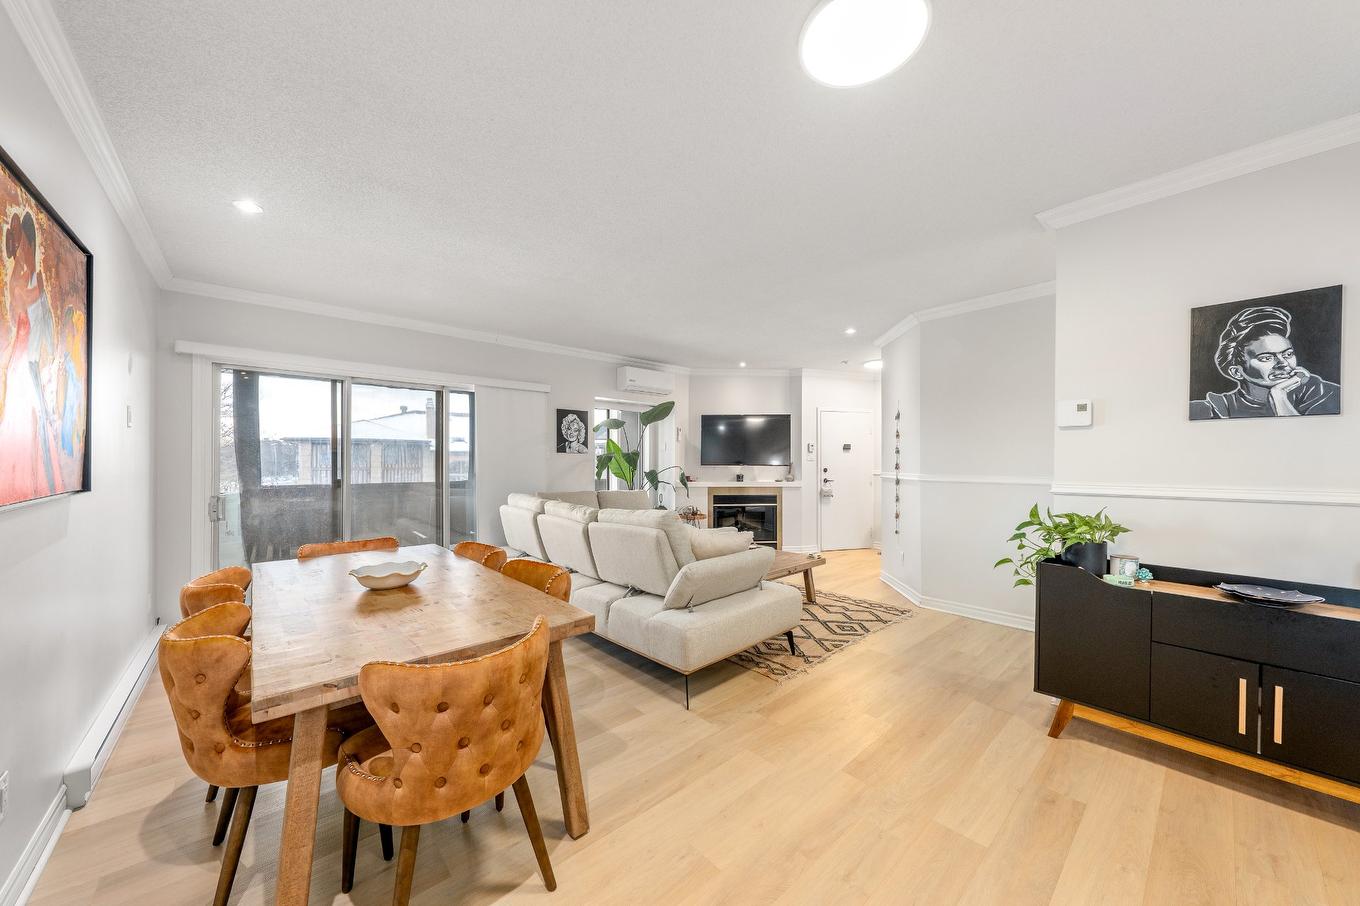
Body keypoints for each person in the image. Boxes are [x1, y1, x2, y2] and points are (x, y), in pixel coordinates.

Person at [1190, 305, 1340, 419]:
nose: (1283, 363)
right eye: (1266, 358)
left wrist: (1279, 396)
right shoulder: (1214, 409)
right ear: (1236, 371)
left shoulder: (1327, 395)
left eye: (1288, 354)